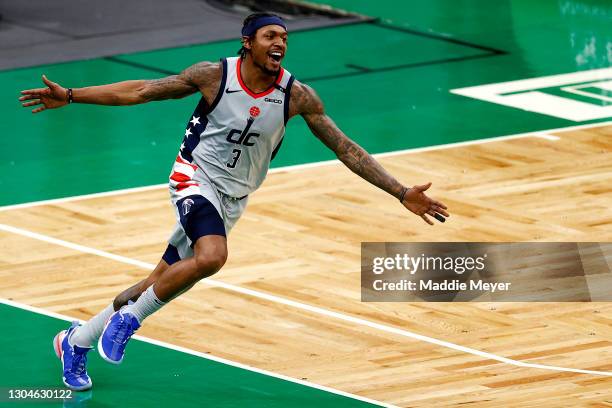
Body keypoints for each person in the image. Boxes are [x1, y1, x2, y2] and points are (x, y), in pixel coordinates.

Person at [20, 12, 449, 391]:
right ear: (248, 42)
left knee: (160, 280)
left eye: (284, 37)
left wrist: (401, 191)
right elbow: (140, 90)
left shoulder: (297, 96)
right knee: (212, 257)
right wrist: (73, 95)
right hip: (193, 178)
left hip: (233, 199)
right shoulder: (213, 76)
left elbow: (346, 149)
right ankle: (128, 322)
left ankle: (74, 341)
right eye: (269, 36)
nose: (279, 42)